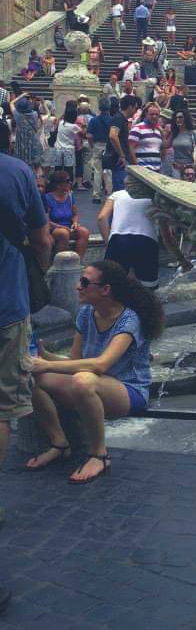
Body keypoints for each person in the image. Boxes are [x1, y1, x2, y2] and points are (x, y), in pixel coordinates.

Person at [26, 260, 164, 483]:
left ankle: (99, 454)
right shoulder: (85, 314)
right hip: (92, 383)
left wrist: (48, 365)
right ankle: (59, 443)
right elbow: (75, 361)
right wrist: (44, 357)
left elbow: (100, 365)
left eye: (84, 282)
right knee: (31, 376)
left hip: (129, 391)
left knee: (82, 380)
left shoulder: (129, 320)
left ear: (105, 289)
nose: (77, 286)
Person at [0, 154, 52, 611]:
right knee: (0, 408)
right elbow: (40, 237)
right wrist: (41, 263)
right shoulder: (14, 171)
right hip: (4, 305)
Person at [97, 188, 160, 288]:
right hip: (147, 241)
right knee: (148, 289)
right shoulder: (155, 196)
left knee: (111, 287)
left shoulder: (117, 194)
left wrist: (108, 242)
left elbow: (101, 217)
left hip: (117, 240)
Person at [43, 170, 90, 259]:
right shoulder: (48, 198)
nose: (70, 183)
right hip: (54, 228)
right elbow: (46, 220)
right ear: (58, 185)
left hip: (68, 226)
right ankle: (60, 263)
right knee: (63, 233)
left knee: (84, 231)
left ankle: (78, 262)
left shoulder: (70, 196)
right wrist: (59, 226)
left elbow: (74, 214)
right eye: (67, 181)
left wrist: (75, 223)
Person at [107, 94, 139, 192]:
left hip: (119, 160)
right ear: (130, 107)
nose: (136, 111)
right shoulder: (119, 118)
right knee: (120, 189)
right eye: (135, 108)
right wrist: (122, 155)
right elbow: (113, 135)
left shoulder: (121, 119)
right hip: (119, 161)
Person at [87, 100, 112, 202]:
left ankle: (96, 195)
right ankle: (110, 194)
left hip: (97, 146)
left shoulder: (94, 120)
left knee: (97, 171)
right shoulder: (112, 120)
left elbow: (89, 135)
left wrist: (92, 145)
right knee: (109, 171)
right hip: (108, 147)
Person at [128, 102, 164, 172]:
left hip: (157, 169)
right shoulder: (138, 128)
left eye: (156, 114)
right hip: (143, 169)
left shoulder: (158, 130)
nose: (154, 116)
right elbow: (130, 148)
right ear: (146, 114)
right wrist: (137, 167)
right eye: (151, 114)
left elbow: (161, 148)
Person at [170, 109, 196, 177]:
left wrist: (194, 165)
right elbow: (165, 145)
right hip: (176, 168)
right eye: (176, 118)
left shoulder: (193, 133)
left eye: (180, 117)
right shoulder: (174, 133)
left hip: (189, 169)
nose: (178, 119)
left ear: (186, 118)